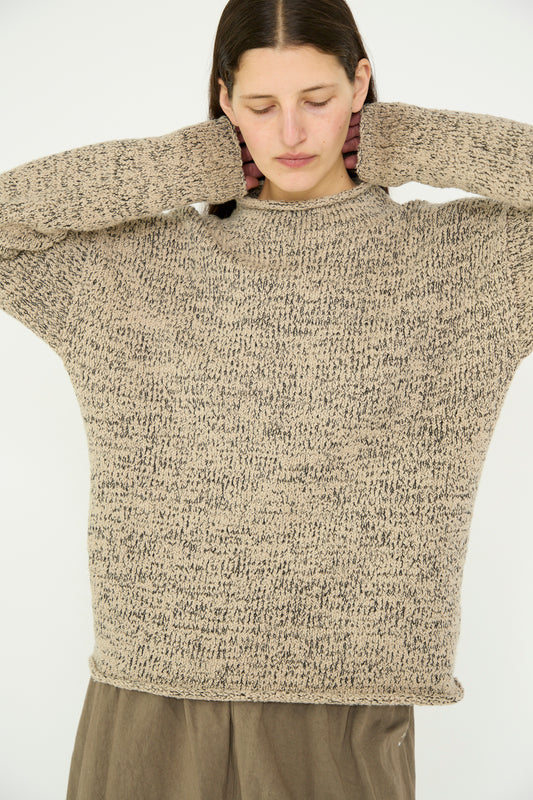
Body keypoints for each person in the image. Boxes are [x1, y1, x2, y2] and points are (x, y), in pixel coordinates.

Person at [0, 0, 531, 798]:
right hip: (152, 694)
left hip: (344, 710)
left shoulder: (472, 261)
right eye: (259, 106)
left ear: (360, 84)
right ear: (222, 103)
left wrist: (407, 137)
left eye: (316, 100)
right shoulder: (130, 265)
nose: (291, 134)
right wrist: (188, 164)